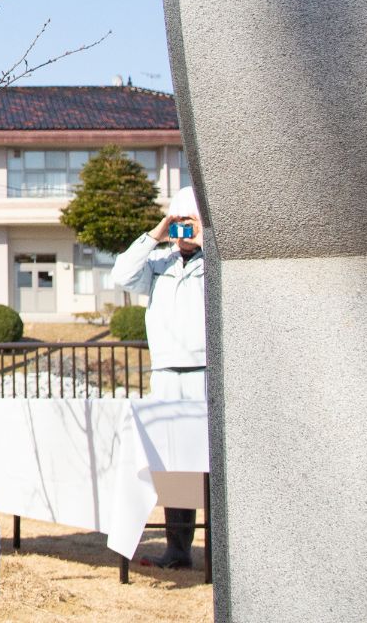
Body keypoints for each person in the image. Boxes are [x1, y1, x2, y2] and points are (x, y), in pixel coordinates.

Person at [111, 184, 206, 570]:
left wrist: (207, 237)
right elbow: (121, 275)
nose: (184, 231)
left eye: (190, 223)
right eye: (179, 223)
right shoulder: (159, 264)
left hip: (204, 371)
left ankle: (222, 548)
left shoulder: (215, 263)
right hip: (165, 372)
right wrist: (157, 231)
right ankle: (179, 549)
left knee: (209, 459)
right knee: (174, 461)